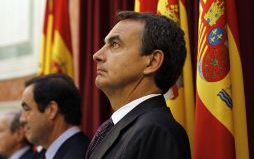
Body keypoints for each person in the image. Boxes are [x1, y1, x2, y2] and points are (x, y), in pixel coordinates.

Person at [86, 11, 191, 159]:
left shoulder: (156, 131)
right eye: (105, 44)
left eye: (115, 44)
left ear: (152, 62)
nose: (96, 55)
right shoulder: (117, 127)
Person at [20, 73, 90, 159]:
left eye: (27, 109)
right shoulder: (43, 154)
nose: (22, 119)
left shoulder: (82, 155)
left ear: (51, 110)